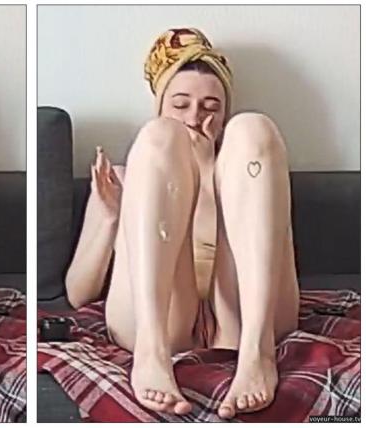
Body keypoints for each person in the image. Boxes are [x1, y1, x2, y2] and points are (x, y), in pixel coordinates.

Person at [65, 28, 299, 419]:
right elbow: (78, 293)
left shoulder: (244, 174)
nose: (195, 117)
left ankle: (257, 354)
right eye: (180, 104)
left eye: (211, 107)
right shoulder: (124, 178)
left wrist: (210, 173)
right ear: (160, 105)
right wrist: (110, 217)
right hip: (163, 319)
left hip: (242, 317)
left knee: (255, 128)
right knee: (159, 139)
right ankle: (151, 353)